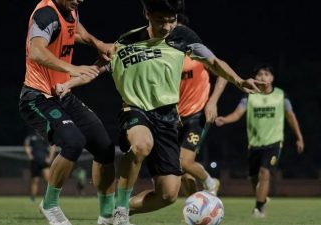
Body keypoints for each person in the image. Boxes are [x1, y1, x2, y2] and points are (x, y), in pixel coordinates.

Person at [55, 0, 263, 224]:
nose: (166, 26)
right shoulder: (127, 41)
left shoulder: (183, 37)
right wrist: (69, 84)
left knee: (168, 194)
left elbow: (213, 61)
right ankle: (122, 212)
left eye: (171, 20)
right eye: (160, 20)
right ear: (147, 14)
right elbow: (98, 68)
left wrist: (239, 81)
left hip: (167, 118)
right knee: (142, 144)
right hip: (134, 110)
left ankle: (114, 212)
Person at [18, 0, 116, 224]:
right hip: (37, 98)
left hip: (62, 95)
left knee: (104, 146)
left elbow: (75, 31)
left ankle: (107, 216)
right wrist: (72, 68)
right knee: (73, 142)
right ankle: (50, 204)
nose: (79, 0)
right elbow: (36, 51)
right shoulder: (46, 14)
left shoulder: (70, 8)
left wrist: (97, 43)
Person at [215, 63, 304, 218]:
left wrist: (299, 138)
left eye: (267, 74)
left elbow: (291, 117)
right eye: (260, 74)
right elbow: (237, 114)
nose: (263, 77)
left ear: (273, 78)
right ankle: (262, 198)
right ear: (255, 78)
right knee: (254, 178)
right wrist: (225, 120)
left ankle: (259, 208)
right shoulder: (249, 95)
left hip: (274, 142)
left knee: (265, 172)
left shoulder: (280, 95)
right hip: (254, 144)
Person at [177, 14, 226, 196]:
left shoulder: (198, 53)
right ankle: (193, 208)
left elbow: (223, 74)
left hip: (196, 116)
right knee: (181, 172)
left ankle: (210, 182)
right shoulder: (163, 58)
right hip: (173, 118)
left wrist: (212, 102)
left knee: (184, 162)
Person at [24, 132, 57, 202]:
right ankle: (32, 198)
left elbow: (53, 147)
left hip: (45, 161)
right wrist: (29, 155)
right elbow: (26, 146)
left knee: (48, 180)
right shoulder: (31, 137)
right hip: (35, 161)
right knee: (35, 180)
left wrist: (50, 158)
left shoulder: (47, 137)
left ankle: (50, 198)